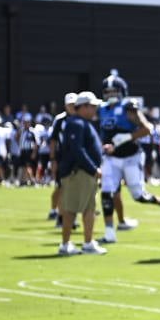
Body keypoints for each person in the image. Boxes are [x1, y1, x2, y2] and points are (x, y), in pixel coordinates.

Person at [96, 70, 160, 245]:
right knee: (107, 191)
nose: (110, 95)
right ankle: (109, 232)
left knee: (138, 196)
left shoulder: (128, 107)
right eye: (107, 92)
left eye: (114, 91)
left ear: (121, 91)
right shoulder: (101, 109)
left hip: (131, 155)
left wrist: (127, 137)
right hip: (111, 157)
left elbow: (148, 128)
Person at [57, 92, 106, 255]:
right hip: (78, 172)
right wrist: (93, 168)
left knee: (89, 208)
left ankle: (88, 242)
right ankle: (65, 244)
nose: (95, 109)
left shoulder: (82, 123)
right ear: (83, 106)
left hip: (85, 172)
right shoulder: (76, 123)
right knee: (71, 208)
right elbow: (77, 149)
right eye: (93, 106)